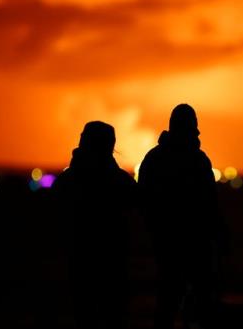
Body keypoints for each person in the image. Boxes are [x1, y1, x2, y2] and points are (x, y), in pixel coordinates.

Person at [138, 104, 228, 329]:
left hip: (170, 242)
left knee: (169, 302)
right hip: (191, 244)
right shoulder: (198, 160)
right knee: (196, 303)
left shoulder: (154, 159)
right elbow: (210, 204)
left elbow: (144, 202)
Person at [53, 121, 136, 329]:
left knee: (84, 316)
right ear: (110, 145)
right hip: (113, 262)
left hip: (78, 262)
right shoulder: (121, 182)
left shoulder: (65, 181)